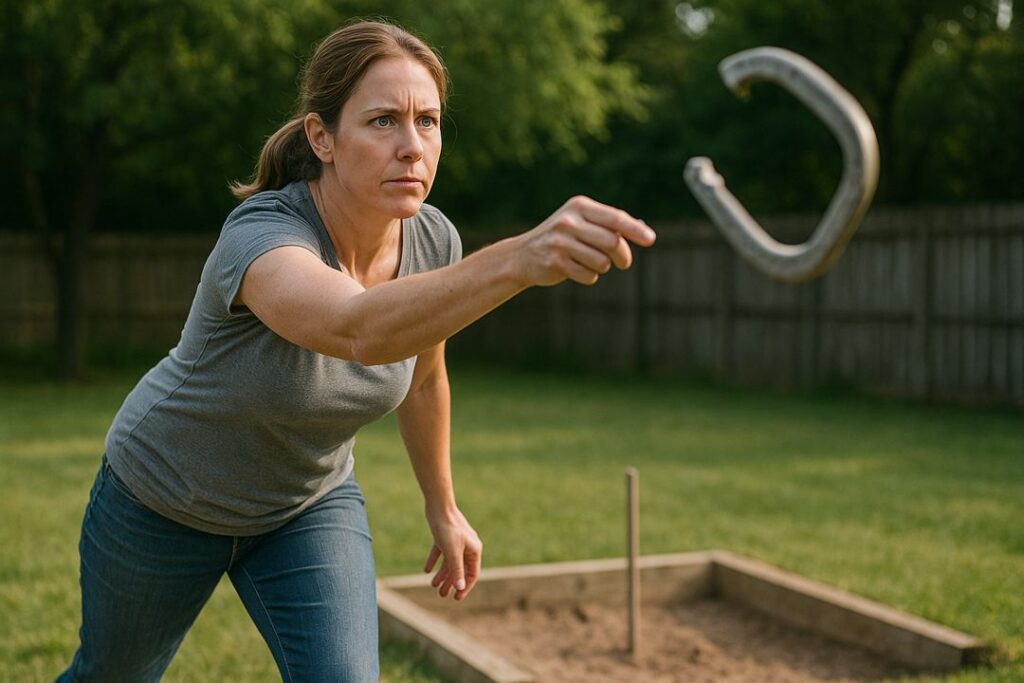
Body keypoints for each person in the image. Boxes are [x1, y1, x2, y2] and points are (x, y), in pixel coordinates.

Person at [57, 19, 656, 683]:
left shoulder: (432, 241)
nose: (412, 146)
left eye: (427, 121)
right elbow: (356, 329)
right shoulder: (262, 235)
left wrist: (444, 505)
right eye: (383, 122)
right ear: (323, 138)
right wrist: (521, 256)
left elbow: (424, 378)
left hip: (305, 506)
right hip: (164, 499)